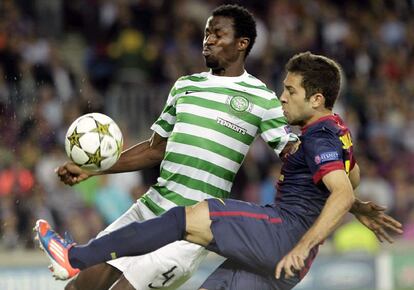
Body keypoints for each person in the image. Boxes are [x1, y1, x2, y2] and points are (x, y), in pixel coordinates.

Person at [36, 52, 403, 290]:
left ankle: (75, 258)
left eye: (290, 91)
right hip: (287, 265)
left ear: (317, 99)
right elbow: (346, 182)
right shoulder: (336, 132)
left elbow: (341, 191)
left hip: (282, 236)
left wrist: (310, 238)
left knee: (188, 218)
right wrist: (359, 208)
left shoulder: (319, 135)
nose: (282, 97)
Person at [54, 4, 300, 290]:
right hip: (149, 210)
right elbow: (154, 149)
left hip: (191, 230)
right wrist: (94, 168)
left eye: (218, 34)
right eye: (207, 33)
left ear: (242, 44)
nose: (208, 40)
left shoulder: (261, 98)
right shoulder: (186, 86)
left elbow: (292, 153)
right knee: (78, 286)